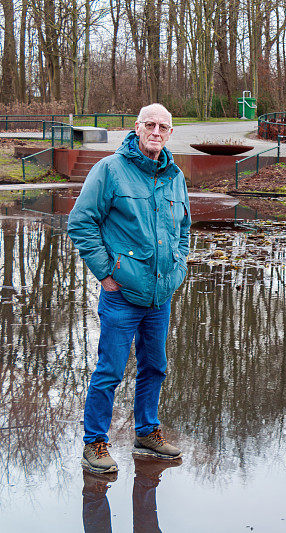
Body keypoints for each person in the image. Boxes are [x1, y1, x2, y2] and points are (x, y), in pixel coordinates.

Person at [68, 103, 191, 474]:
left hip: (160, 294)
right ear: (137, 128)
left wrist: (179, 265)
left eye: (163, 126)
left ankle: (147, 432)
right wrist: (106, 272)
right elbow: (81, 222)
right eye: (150, 124)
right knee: (110, 370)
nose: (156, 131)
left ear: (170, 133)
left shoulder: (175, 176)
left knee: (155, 366)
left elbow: (183, 228)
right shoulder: (110, 170)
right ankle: (95, 442)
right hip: (121, 295)